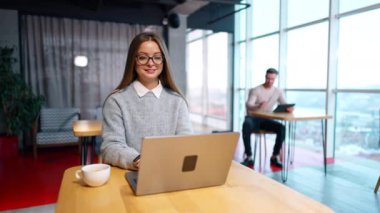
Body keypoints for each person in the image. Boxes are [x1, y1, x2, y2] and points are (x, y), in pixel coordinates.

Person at [101, 32, 193, 170]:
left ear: (164, 61)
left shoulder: (177, 101)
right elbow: (111, 147)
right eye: (143, 57)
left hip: (171, 172)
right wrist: (137, 160)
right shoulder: (116, 101)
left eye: (157, 57)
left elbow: (187, 142)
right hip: (134, 173)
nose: (151, 63)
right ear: (133, 60)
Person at [241, 68, 294, 168]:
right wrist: (258, 106)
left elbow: (284, 104)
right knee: (246, 124)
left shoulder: (278, 91)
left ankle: (274, 156)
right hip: (253, 118)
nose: (269, 81)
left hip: (266, 119)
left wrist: (288, 108)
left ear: (275, 79)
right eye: (268, 78)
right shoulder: (256, 90)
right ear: (265, 77)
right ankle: (249, 157)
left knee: (282, 128)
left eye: (272, 79)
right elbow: (248, 105)